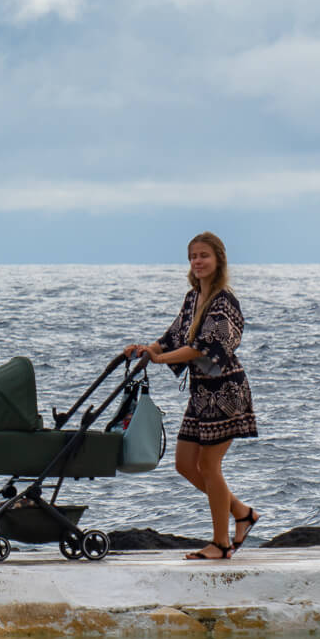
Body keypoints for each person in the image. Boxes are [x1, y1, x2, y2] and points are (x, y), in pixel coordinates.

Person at [125, 231, 259, 560]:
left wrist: (159, 359)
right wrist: (145, 349)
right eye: (192, 257)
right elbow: (172, 338)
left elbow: (203, 348)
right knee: (185, 464)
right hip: (201, 394)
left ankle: (221, 543)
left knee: (210, 466)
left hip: (225, 391)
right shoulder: (193, 297)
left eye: (203, 256)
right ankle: (242, 513)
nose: (197, 262)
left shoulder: (224, 302)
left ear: (218, 260)